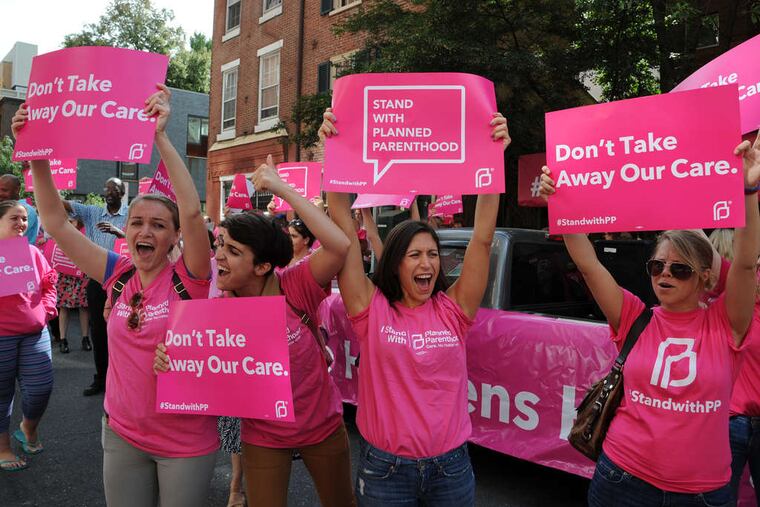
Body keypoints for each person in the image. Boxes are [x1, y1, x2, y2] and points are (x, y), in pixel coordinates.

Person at [13, 84, 218, 506]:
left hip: (185, 441)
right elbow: (55, 221)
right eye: (137, 222)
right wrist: (36, 153)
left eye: (159, 225)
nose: (145, 230)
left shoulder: (192, 277)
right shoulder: (117, 274)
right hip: (121, 434)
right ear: (126, 229)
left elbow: (191, 210)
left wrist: (160, 136)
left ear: (176, 236)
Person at [538, 131, 760, 507]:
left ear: (705, 276)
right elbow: (589, 265)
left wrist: (748, 191)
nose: (665, 275)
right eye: (657, 266)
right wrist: (559, 203)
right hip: (622, 478)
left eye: (679, 269)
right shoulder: (634, 317)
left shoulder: (726, 321)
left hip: (703, 492)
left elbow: (744, 263)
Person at [321, 107, 509, 506]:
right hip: (386, 472)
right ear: (395, 263)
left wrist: (493, 158)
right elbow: (344, 231)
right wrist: (334, 153)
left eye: (432, 254)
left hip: (451, 469)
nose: (427, 263)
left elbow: (481, 238)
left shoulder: (455, 309)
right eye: (414, 255)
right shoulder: (370, 308)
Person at [156, 154, 355, 507]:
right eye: (220, 245)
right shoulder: (215, 313)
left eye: (233, 251)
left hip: (320, 426)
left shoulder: (295, 286)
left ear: (263, 266)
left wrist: (282, 189)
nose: (219, 256)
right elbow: (200, 375)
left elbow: (339, 246)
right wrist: (170, 362)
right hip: (263, 434)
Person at [0, 200, 57, 471]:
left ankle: (27, 428)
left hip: (34, 333)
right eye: (14, 218)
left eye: (24, 218)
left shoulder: (33, 252)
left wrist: (46, 310)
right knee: (2, 395)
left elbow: (49, 284)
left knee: (40, 389)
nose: (22, 223)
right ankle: (3, 448)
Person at [60, 177, 127, 395]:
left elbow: (139, 242)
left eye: (113, 189)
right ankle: (101, 379)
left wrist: (121, 234)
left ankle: (121, 382)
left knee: (123, 332)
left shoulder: (131, 215)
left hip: (124, 283)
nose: (108, 192)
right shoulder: (92, 213)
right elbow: (60, 203)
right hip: (97, 282)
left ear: (122, 193)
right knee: (99, 332)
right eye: (106, 188)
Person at [54, 217, 90, 353]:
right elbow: (52, 249)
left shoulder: (86, 233)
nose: (69, 223)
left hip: (81, 274)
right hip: (64, 274)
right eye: (67, 221)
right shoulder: (60, 233)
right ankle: (63, 339)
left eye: (72, 221)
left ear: (79, 221)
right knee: (63, 307)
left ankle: (85, 338)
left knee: (84, 306)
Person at [0, 174, 39, 245]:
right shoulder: (5, 208)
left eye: (4, 190)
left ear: (16, 190)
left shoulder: (25, 210)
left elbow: (10, 236)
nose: (0, 193)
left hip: (18, 250)